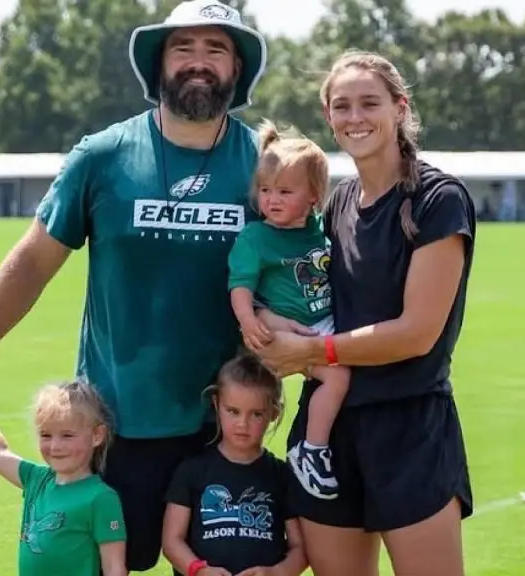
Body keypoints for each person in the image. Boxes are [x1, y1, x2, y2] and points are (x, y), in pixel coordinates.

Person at [0, 2, 304, 571]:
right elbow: (31, 264)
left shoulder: (265, 168)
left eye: (216, 50)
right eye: (183, 49)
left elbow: (304, 269)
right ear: (158, 65)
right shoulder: (103, 157)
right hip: (117, 427)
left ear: (237, 70)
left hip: (226, 426)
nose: (199, 63)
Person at [247, 50, 477, 576]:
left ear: (399, 108)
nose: (355, 118)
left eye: (369, 103)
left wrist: (310, 351)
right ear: (328, 115)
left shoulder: (437, 200)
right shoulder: (335, 204)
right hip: (327, 437)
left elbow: (416, 334)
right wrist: (268, 329)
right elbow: (290, 288)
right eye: (342, 106)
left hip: (410, 428)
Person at [227, 120, 349, 501]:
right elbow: (240, 286)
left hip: (320, 323)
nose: (271, 200)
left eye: (284, 191)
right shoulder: (256, 237)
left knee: (348, 369)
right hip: (278, 332)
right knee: (338, 376)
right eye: (265, 190)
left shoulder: (319, 230)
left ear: (314, 196)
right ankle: (312, 449)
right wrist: (249, 321)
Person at [0, 374, 127, 576]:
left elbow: (115, 568)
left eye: (67, 435)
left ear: (97, 436)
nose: (55, 446)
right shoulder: (37, 480)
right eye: (46, 435)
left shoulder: (101, 498)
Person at [161, 354, 307, 576]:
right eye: (233, 411)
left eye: (256, 414)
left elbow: (301, 547)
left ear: (273, 414)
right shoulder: (192, 471)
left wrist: (277, 573)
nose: (242, 424)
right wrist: (199, 571)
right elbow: (172, 541)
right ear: (217, 404)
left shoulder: (281, 474)